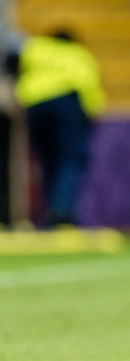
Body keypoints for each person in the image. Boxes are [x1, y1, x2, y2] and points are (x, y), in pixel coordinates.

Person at [5, 31, 106, 227]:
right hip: (66, 103)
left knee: (47, 159)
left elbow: (12, 64)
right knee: (70, 158)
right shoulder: (77, 53)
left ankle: (51, 211)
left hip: (34, 105)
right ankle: (61, 213)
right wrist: (93, 111)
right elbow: (89, 85)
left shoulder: (35, 48)